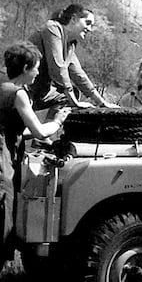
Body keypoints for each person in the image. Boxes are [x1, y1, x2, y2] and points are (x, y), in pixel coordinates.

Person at [0, 41, 71, 261]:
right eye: (36, 67)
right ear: (25, 68)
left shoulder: (2, 86)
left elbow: (12, 129)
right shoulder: (18, 93)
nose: (38, 72)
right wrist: (58, 121)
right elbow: (39, 131)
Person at [28, 3, 118, 121]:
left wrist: (102, 103)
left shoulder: (70, 44)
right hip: (21, 87)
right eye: (88, 23)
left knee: (69, 95)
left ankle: (44, 136)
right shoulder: (52, 29)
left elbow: (79, 75)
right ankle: (40, 134)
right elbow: (57, 68)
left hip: (39, 91)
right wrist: (75, 103)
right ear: (74, 18)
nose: (90, 29)